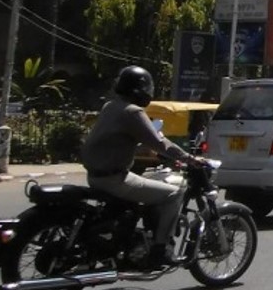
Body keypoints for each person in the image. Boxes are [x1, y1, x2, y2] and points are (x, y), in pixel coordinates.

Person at [80, 66, 198, 264]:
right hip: (114, 179)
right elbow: (160, 143)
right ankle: (161, 249)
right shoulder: (133, 112)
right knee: (174, 194)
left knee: (147, 184)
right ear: (141, 90)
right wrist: (189, 158)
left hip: (96, 176)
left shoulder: (111, 106)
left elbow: (117, 140)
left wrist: (141, 148)